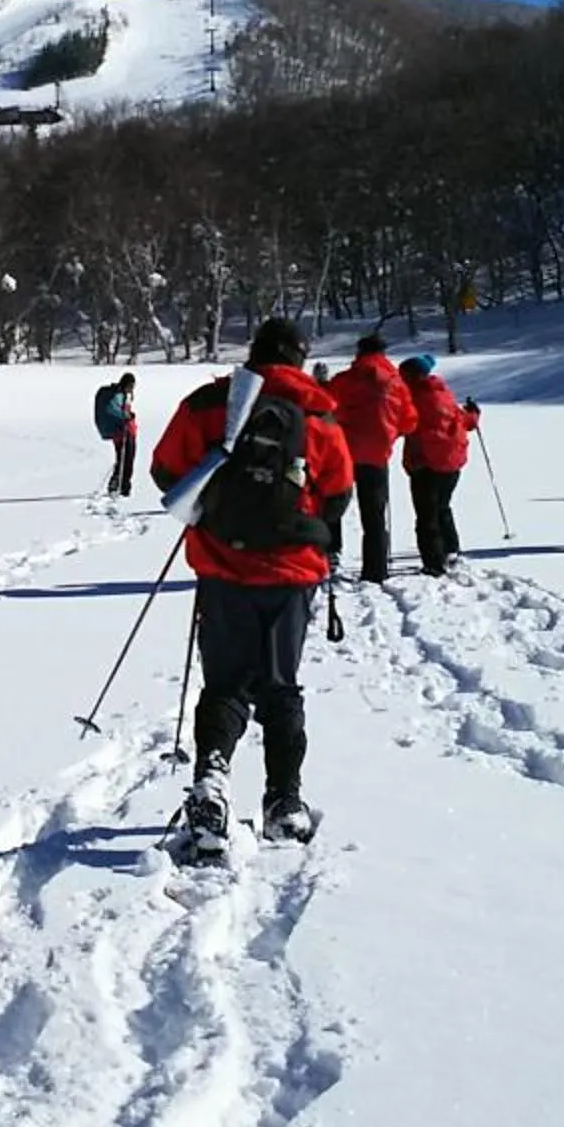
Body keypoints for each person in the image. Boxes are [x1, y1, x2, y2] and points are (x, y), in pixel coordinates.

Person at [149, 318, 354, 857]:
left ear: (254, 353)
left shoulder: (208, 403)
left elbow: (165, 471)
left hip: (223, 567)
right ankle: (284, 803)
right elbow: (338, 492)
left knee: (224, 684)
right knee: (280, 685)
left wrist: (212, 506)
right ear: (300, 358)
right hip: (293, 573)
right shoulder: (318, 412)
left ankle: (211, 784)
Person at [325, 333, 419, 582]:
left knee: (332, 502)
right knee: (374, 513)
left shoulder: (343, 380)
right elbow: (410, 422)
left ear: (358, 353)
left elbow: (326, 409)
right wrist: (390, 434)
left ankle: (331, 554)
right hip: (376, 454)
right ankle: (375, 569)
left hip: (342, 451)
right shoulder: (395, 383)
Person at [398, 355, 480, 576]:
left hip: (425, 462)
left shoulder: (413, 398)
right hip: (452, 463)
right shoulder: (444, 394)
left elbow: (402, 424)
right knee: (442, 506)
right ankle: (451, 550)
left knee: (426, 515)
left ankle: (434, 563)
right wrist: (474, 413)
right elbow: (465, 421)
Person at [94, 372, 139, 496]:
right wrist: (127, 416)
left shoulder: (122, 394)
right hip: (123, 431)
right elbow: (115, 410)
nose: (132, 388)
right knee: (126, 459)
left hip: (122, 431)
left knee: (123, 459)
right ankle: (122, 486)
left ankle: (119, 484)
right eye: (132, 385)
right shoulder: (118, 395)